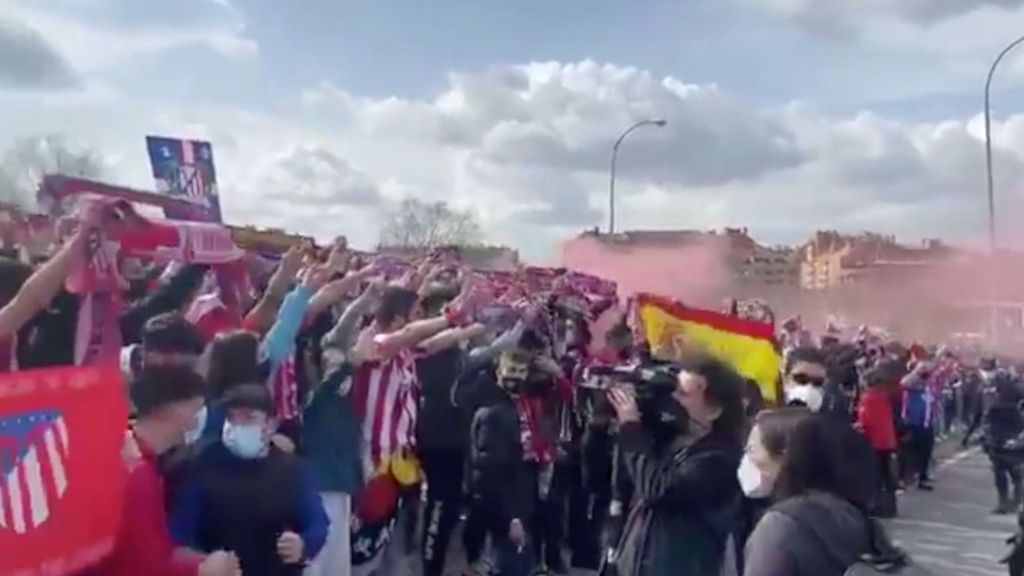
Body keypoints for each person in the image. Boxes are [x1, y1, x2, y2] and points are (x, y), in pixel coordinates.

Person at [89, 365, 240, 576]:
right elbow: (143, 566)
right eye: (195, 408)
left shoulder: (135, 455)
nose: (198, 419)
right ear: (171, 409)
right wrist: (201, 569)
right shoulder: (137, 474)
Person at [606, 352, 745, 576]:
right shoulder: (669, 440)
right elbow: (601, 478)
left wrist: (632, 430)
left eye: (683, 394)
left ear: (714, 410)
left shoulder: (721, 459)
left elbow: (659, 489)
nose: (674, 400)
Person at [170, 383, 329, 576]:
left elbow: (317, 521)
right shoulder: (200, 467)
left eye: (248, 417)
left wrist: (303, 544)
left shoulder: (292, 470)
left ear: (269, 423)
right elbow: (180, 535)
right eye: (231, 417)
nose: (238, 424)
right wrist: (203, 563)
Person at [742, 413, 873, 576]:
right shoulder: (852, 513)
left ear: (783, 455)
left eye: (752, 450)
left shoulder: (778, 526)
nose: (747, 459)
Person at [464, 348, 542, 576]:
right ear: (499, 371)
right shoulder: (495, 413)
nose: (516, 377)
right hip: (504, 515)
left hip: (516, 508)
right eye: (512, 370)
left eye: (521, 371)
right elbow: (490, 471)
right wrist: (512, 517)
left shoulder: (512, 407)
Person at [856, 365, 899, 518]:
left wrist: (856, 427)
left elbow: (865, 421)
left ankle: (876, 505)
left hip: (874, 441)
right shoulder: (884, 396)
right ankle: (890, 507)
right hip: (887, 440)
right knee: (886, 475)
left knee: (875, 475)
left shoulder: (868, 398)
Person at [983, 370, 1024, 514]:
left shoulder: (996, 406)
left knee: (1006, 473)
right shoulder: (997, 407)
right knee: (1012, 474)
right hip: (1005, 441)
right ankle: (1010, 501)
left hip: (1005, 441)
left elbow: (987, 425)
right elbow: (987, 425)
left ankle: (1007, 501)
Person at [901, 362, 937, 491]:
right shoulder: (912, 383)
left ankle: (922, 477)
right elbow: (904, 383)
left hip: (927, 422)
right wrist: (917, 372)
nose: (926, 372)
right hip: (913, 423)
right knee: (912, 451)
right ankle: (907, 478)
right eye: (923, 369)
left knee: (926, 451)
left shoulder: (929, 384)